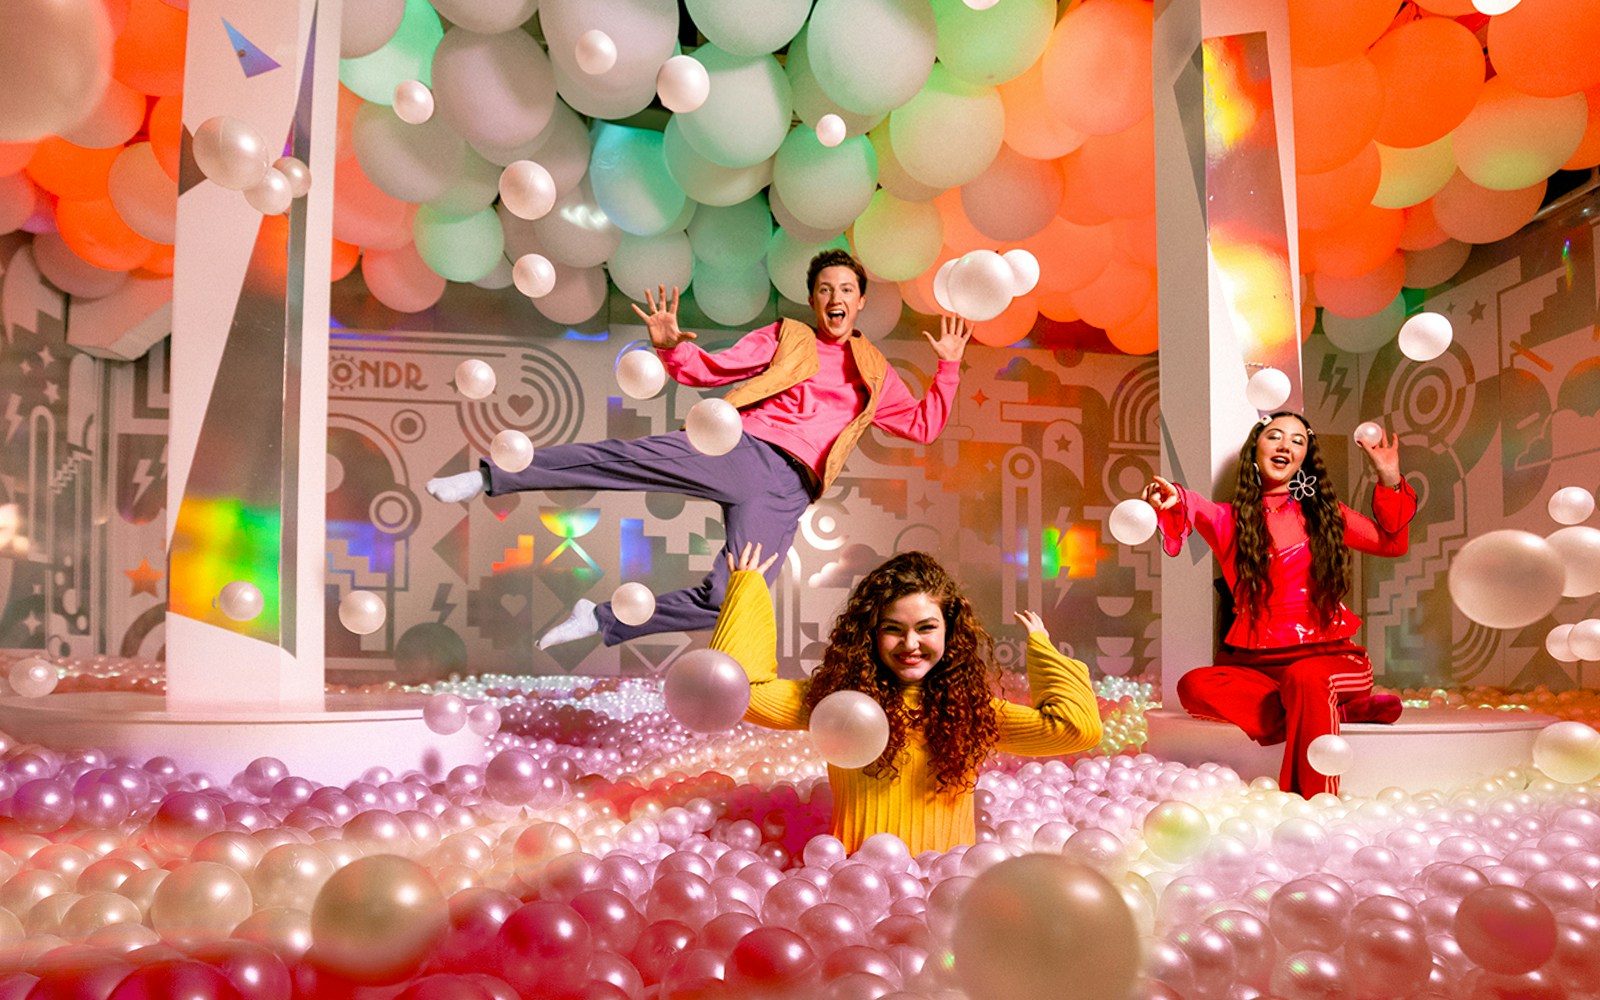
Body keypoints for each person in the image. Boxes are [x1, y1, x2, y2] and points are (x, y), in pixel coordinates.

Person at [427, 250, 973, 649]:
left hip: (788, 489)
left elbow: (923, 426)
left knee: (728, 599)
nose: (836, 298)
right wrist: (669, 348)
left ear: (860, 302)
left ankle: (600, 619)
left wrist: (948, 365)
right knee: (622, 459)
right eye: (825, 289)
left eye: (846, 290)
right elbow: (714, 368)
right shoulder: (787, 335)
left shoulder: (874, 370)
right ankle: (490, 476)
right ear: (813, 299)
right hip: (740, 447)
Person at [711, 542, 1103, 854]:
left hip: (944, 895)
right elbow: (742, 692)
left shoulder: (969, 712)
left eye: (926, 628)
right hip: (853, 893)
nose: (910, 644)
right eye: (893, 629)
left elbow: (1077, 730)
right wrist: (746, 590)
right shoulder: (838, 702)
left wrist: (1042, 648)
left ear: (950, 633)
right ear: (870, 633)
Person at [1142, 412, 1415, 797]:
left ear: (1305, 458)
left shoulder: (1326, 513)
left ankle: (1314, 800)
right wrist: (1173, 496)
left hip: (1332, 662)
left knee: (1305, 679)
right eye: (1275, 436)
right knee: (1194, 685)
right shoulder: (1229, 519)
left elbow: (1392, 543)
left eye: (1298, 441)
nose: (1286, 445)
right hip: (1257, 669)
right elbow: (1194, 505)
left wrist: (1388, 476)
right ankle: (1331, 711)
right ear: (1256, 448)